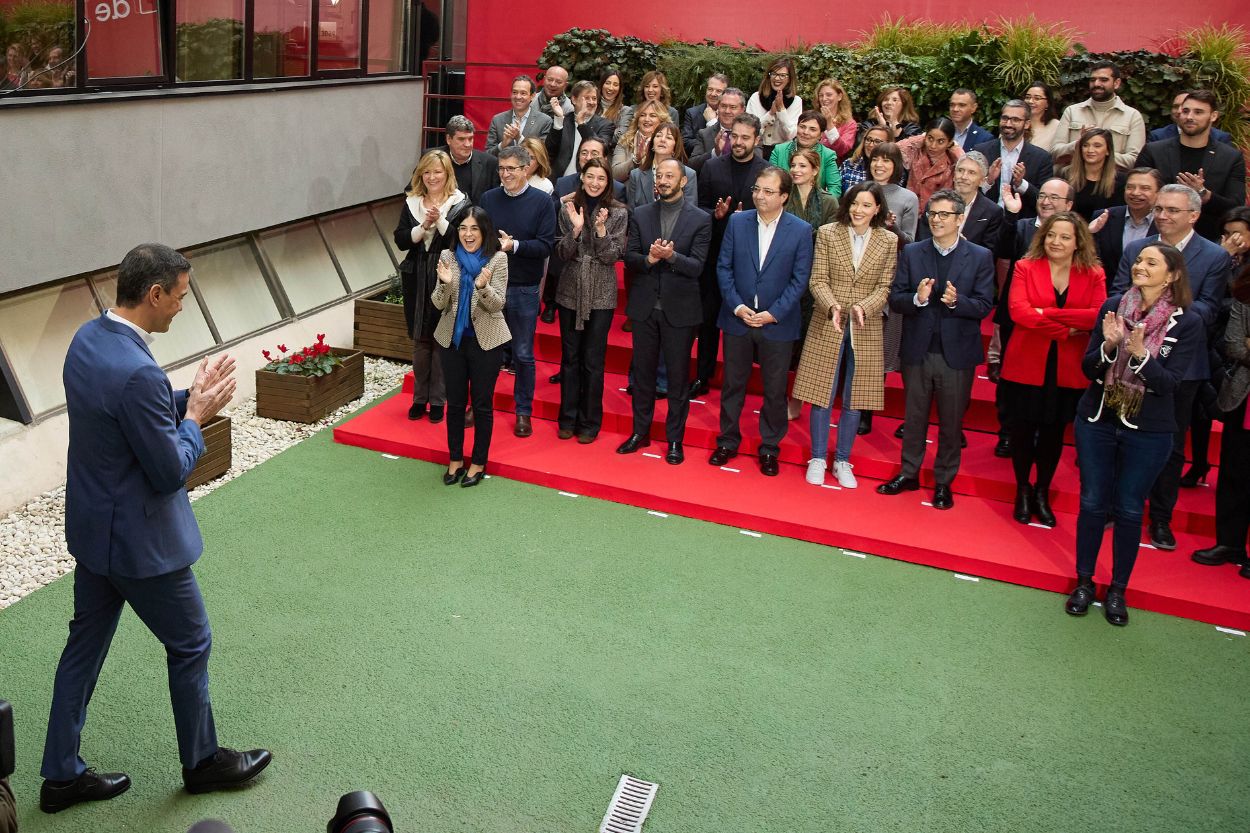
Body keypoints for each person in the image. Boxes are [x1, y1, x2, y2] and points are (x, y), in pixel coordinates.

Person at [42, 243, 270, 814]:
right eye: (180, 296)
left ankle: (60, 775)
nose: (182, 307)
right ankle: (202, 763)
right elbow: (169, 469)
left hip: (94, 534)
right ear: (154, 294)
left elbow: (123, 412)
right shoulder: (138, 369)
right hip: (141, 546)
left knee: (82, 650)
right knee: (191, 642)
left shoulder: (86, 340)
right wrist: (196, 416)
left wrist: (184, 397)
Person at [1066, 243, 1200, 626]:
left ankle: (1118, 590)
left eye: (1151, 262)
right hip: (1097, 420)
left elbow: (1170, 385)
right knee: (1092, 503)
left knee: (1127, 508)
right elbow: (1088, 368)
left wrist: (1141, 356)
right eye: (1139, 260)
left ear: (1172, 275)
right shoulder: (1112, 306)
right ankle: (1084, 582)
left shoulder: (1187, 321)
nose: (1141, 266)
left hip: (1148, 430)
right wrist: (1109, 346)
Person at [1111, 184, 1232, 550]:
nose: (1162, 215)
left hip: (1180, 364)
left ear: (1193, 215)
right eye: (1159, 208)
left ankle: (1160, 517)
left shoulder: (1213, 256)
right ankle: (1116, 507)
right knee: (1119, 435)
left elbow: (1211, 310)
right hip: (1125, 363)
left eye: (1172, 210)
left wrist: (1161, 306)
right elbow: (1117, 294)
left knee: (1170, 445)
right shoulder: (1136, 249)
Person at [877, 190, 996, 509]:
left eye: (944, 215)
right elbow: (896, 298)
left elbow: (985, 305)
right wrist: (917, 298)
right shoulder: (914, 252)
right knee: (913, 417)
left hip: (956, 355)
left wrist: (958, 302)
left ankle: (944, 481)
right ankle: (909, 472)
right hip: (918, 349)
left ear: (960, 219)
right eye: (932, 214)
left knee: (951, 422)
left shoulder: (980, 256)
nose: (936, 220)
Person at [1001, 212, 1106, 526]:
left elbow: (1096, 316)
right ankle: (1022, 489)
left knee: (1052, 434)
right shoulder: (1025, 267)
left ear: (1078, 242)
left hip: (1067, 369)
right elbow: (1018, 311)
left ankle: (1042, 491)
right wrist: (1064, 328)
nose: (1056, 242)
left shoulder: (1094, 273)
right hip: (1026, 365)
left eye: (1064, 237)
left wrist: (1044, 312)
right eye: (1051, 235)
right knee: (1021, 431)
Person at [709, 165, 813, 475]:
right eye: (757, 189)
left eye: (768, 192)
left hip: (777, 323)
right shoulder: (737, 223)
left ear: (784, 196)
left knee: (774, 388)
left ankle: (769, 447)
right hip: (738, 319)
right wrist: (738, 306)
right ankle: (727, 440)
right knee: (732, 385)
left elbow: (800, 279)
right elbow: (723, 268)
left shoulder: (801, 230)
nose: (759, 196)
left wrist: (775, 313)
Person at [792, 182, 898, 487]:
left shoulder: (888, 240)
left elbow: (885, 287)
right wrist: (832, 306)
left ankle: (842, 460)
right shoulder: (827, 233)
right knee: (820, 392)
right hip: (828, 319)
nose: (859, 210)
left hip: (866, 325)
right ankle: (816, 457)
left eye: (866, 205)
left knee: (855, 397)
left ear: (878, 208)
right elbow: (818, 279)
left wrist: (864, 307)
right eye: (854, 204)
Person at [617, 158, 713, 464]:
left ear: (683, 181)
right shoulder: (642, 214)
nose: (663, 180)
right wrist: (649, 260)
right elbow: (630, 257)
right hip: (645, 309)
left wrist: (671, 257)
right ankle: (639, 432)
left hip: (680, 312)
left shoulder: (701, 219)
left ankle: (674, 440)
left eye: (669, 176)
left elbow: (698, 267)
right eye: (659, 175)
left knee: (677, 379)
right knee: (642, 376)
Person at [478, 145, 557, 438]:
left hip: (524, 288)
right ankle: (479, 404)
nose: (505, 174)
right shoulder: (488, 198)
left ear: (526, 169)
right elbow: (478, 237)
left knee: (523, 354)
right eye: (501, 168)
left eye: (511, 168)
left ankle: (523, 412)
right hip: (489, 286)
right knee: (486, 351)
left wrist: (515, 246)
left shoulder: (542, 202)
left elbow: (546, 245)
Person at [691, 113, 769, 399]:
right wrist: (717, 214)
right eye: (734, 136)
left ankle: (740, 381)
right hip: (714, 256)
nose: (738, 142)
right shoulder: (711, 167)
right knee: (708, 321)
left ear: (757, 140)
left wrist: (747, 219)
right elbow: (698, 209)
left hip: (750, 260)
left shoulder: (767, 172)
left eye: (745, 137)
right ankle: (703, 375)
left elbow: (772, 214)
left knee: (745, 323)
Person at [432, 207, 510, 487]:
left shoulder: (497, 260)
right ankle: (455, 459)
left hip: (486, 342)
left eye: (474, 229)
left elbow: (497, 304)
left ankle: (478, 462)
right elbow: (439, 304)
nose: (467, 234)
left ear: (484, 231)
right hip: (452, 341)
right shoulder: (447, 257)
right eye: (463, 228)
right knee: (454, 403)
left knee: (481, 404)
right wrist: (445, 284)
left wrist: (482, 287)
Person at [553, 157, 628, 443]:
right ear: (581, 178)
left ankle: (589, 422)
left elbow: (612, 257)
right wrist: (574, 230)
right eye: (590, 176)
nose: (595, 183)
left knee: (593, 360)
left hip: (602, 292)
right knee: (570, 357)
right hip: (570, 287)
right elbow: (561, 253)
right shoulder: (567, 207)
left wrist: (599, 231)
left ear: (608, 182)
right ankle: (567, 418)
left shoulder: (619, 212)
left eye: (602, 178)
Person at [394, 150, 470, 423]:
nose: (432, 177)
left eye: (438, 171)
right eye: (427, 172)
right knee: (420, 339)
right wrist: (421, 226)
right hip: (416, 275)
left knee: (442, 340)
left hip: (446, 273)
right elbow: (401, 240)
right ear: (420, 175)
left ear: (447, 173)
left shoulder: (460, 203)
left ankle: (438, 400)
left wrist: (437, 220)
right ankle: (419, 398)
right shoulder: (412, 202)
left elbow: (460, 239)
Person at [1191, 269, 1250, 575]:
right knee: (1233, 471)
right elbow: (1235, 345)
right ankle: (1229, 543)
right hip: (1242, 396)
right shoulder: (1244, 292)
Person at [1134, 90, 1247, 242]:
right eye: (1185, 111)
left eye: (1198, 112)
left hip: (1208, 238)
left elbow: (1236, 207)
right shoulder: (1154, 151)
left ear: (1213, 116)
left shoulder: (1230, 157)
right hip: (1155, 237)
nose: (1189, 117)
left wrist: (1205, 195)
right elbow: (1136, 192)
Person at [1051, 60, 1146, 170]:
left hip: (1114, 182)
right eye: (1093, 80)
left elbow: (1135, 160)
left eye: (1103, 80)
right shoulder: (1072, 111)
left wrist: (1101, 155)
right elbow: (1054, 153)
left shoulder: (1132, 116)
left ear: (1116, 83)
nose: (1096, 84)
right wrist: (1079, 144)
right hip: (1072, 180)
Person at [972, 99, 1054, 217]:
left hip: (1020, 224)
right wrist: (988, 181)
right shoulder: (981, 151)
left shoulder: (1041, 158)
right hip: (985, 221)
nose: (1008, 124)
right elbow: (969, 191)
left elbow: (1043, 200)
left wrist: (1021, 184)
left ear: (1027, 124)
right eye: (1005, 118)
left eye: (1015, 120)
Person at [1089, 167, 1161, 290]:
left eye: (1145, 188)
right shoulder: (1104, 217)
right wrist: (1088, 232)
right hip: (1106, 294)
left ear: (1158, 193)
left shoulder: (1165, 222)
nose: (1135, 193)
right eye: (1130, 187)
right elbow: (1088, 258)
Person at [919, 152, 1004, 250]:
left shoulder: (992, 212)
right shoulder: (935, 202)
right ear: (954, 176)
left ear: (982, 181)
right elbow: (922, 240)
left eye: (971, 173)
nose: (963, 177)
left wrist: (963, 246)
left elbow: (988, 254)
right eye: (960, 170)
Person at [545, 79, 616, 181]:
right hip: (559, 182)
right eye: (587, 98)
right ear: (574, 99)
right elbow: (549, 152)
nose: (591, 102)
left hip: (589, 182)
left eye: (594, 98)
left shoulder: (605, 125)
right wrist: (559, 119)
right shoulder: (564, 121)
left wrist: (582, 124)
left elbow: (600, 149)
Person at [769, 110, 842, 197]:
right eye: (802, 127)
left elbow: (835, 188)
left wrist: (822, 206)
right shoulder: (779, 150)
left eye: (812, 129)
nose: (805, 132)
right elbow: (770, 181)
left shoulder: (827, 155)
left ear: (820, 135)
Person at [426, 115, 499, 204]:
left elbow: (496, 200)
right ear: (449, 139)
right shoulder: (431, 157)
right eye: (461, 139)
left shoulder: (489, 162)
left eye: (470, 139)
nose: (467, 144)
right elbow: (413, 190)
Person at [896, 118, 963, 213]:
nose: (933, 145)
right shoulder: (916, 152)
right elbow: (895, 148)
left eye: (940, 141)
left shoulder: (953, 161)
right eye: (930, 138)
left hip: (938, 214)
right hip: (910, 211)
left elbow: (965, 163)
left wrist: (955, 147)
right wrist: (921, 138)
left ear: (949, 142)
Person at [1058, 127, 1124, 221]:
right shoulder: (1065, 174)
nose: (1090, 150)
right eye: (1085, 145)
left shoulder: (1120, 181)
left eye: (1097, 146)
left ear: (1108, 150)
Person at [627, 123, 697, 209]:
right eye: (658, 136)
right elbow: (631, 213)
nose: (662, 140)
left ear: (675, 146)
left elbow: (691, 211)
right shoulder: (636, 175)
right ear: (652, 143)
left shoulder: (688, 174)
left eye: (668, 137)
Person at [746, 57, 802, 158]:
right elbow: (749, 130)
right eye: (774, 74)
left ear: (790, 78)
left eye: (782, 75)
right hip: (757, 152)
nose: (777, 78)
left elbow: (790, 135)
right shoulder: (756, 98)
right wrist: (770, 113)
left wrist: (781, 110)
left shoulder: (796, 101)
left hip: (783, 154)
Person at [486, 75, 553, 154]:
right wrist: (503, 145)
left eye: (523, 93)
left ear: (532, 96)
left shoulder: (544, 121)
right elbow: (488, 154)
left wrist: (519, 138)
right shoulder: (497, 120)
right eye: (515, 92)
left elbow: (542, 154)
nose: (518, 97)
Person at [867, 142, 919, 243]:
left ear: (896, 165)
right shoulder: (854, 191)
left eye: (886, 160)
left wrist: (891, 226)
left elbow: (909, 241)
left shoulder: (909, 198)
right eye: (874, 159)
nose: (878, 164)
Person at [688, 87, 748, 171]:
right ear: (718, 108)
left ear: (742, 110)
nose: (727, 111)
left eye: (733, 107)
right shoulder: (704, 134)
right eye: (723, 106)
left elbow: (757, 164)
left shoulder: (750, 134)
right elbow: (692, 165)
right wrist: (715, 153)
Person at [612, 100, 671, 182]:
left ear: (661, 120)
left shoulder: (668, 142)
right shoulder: (626, 140)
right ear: (637, 120)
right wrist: (635, 160)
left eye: (652, 116)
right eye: (642, 115)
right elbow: (615, 174)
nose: (647, 119)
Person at [1148, 90, 1233, 145]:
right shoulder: (1157, 137)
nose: (1179, 111)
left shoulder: (1221, 138)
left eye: (1198, 112)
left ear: (1213, 116)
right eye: (1176, 106)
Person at [615, 70, 680, 137]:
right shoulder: (632, 110)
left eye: (655, 86)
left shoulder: (672, 112)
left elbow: (674, 138)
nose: (650, 90)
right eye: (647, 86)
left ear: (662, 90)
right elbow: (624, 136)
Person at [785, 148, 838, 229]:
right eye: (793, 165)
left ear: (815, 171)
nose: (795, 170)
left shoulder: (829, 202)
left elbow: (831, 236)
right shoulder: (783, 196)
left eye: (802, 166)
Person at [682, 73, 729, 155]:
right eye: (710, 89)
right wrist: (704, 143)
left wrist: (712, 122)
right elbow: (685, 142)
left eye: (718, 91)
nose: (713, 94)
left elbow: (727, 142)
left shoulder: (729, 114)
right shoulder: (692, 113)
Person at [814, 78, 857, 161]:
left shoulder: (849, 124)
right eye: (821, 95)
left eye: (829, 95)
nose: (824, 99)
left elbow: (842, 150)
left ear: (839, 96)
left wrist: (829, 124)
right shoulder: (812, 117)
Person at [1023, 82, 1062, 153]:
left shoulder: (1056, 126)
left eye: (1037, 98)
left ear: (1047, 103)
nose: (1030, 101)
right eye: (1028, 97)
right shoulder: (1014, 121)